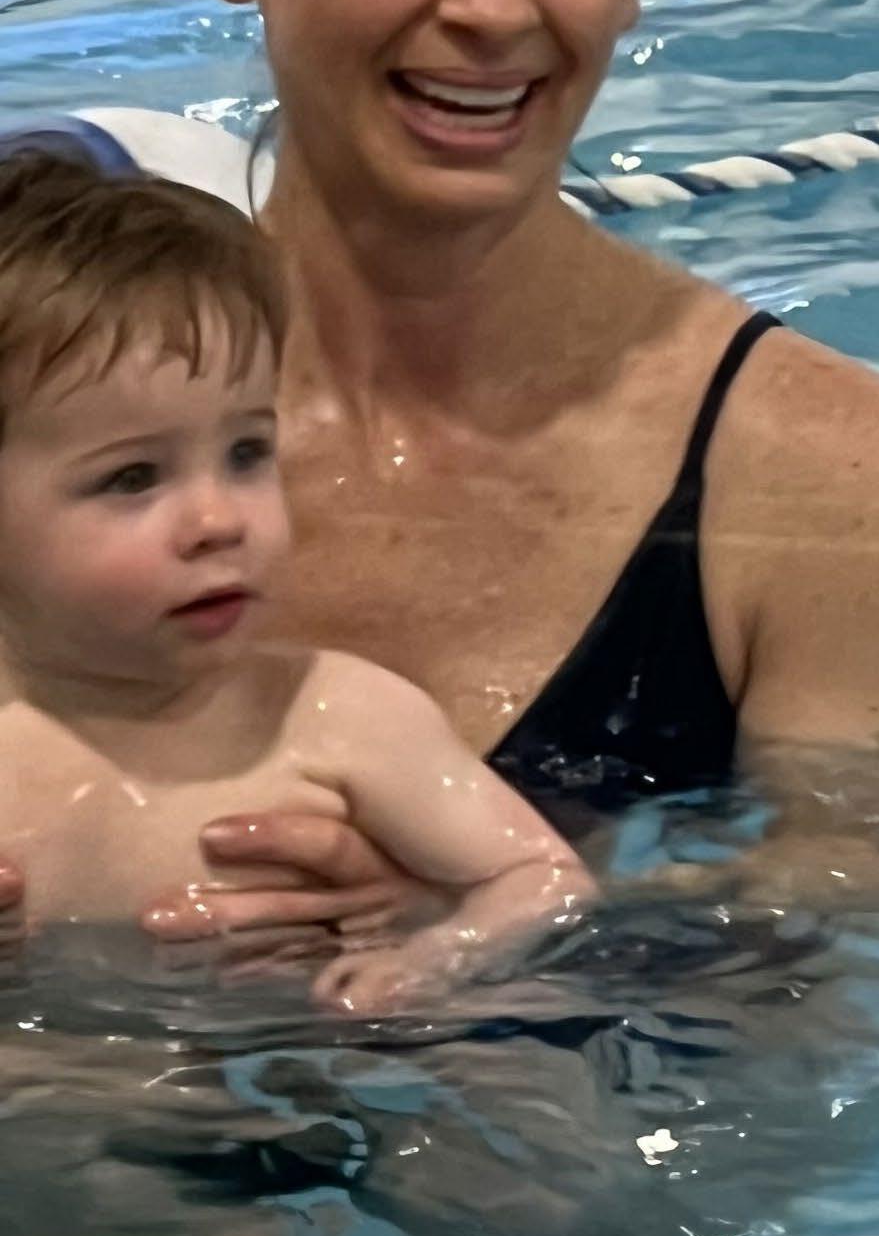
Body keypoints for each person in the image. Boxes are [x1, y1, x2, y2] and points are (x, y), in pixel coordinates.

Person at [0, 0, 879, 964]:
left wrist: (514, 925)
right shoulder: (32, 404)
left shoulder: (813, 476)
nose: (496, 7)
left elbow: (841, 981)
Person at [0, 152, 586, 1013]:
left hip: (305, 1082)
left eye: (246, 452)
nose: (219, 519)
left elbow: (544, 879)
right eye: (133, 477)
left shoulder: (336, 719)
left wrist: (432, 956)